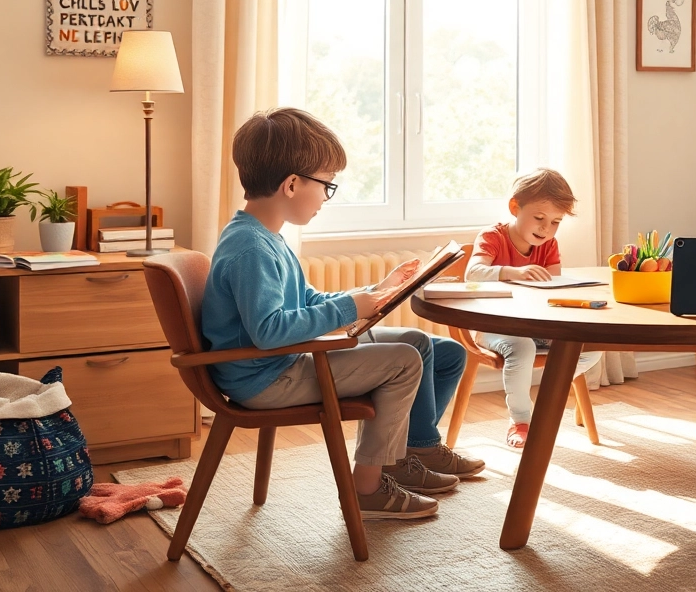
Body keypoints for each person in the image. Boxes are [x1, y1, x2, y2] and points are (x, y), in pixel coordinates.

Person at [202, 108, 483, 521]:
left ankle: (411, 451)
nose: (327, 196)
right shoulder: (251, 249)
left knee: (427, 346)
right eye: (327, 185)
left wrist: (375, 292)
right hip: (266, 377)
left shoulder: (265, 237)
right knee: (404, 361)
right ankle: (367, 488)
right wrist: (351, 307)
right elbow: (269, 330)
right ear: (293, 184)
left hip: (281, 362)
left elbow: (305, 299)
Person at [464, 168, 603, 448]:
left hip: (537, 324)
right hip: (496, 327)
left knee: (594, 346)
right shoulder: (493, 237)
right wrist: (514, 272)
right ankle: (522, 421)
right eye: (539, 218)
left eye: (555, 222)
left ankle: (550, 394)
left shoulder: (549, 245)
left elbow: (553, 287)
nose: (546, 229)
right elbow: (473, 273)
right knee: (522, 349)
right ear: (515, 207)